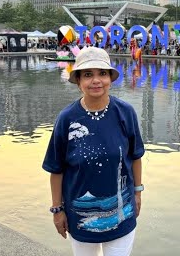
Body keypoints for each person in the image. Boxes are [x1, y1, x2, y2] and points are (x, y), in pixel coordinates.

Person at [42, 47, 145, 256]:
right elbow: (56, 169)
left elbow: (135, 156)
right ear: (78, 80)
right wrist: (56, 210)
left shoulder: (125, 113)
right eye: (88, 74)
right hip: (79, 217)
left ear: (110, 78)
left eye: (102, 73)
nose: (96, 80)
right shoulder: (67, 119)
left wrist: (138, 191)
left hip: (122, 212)